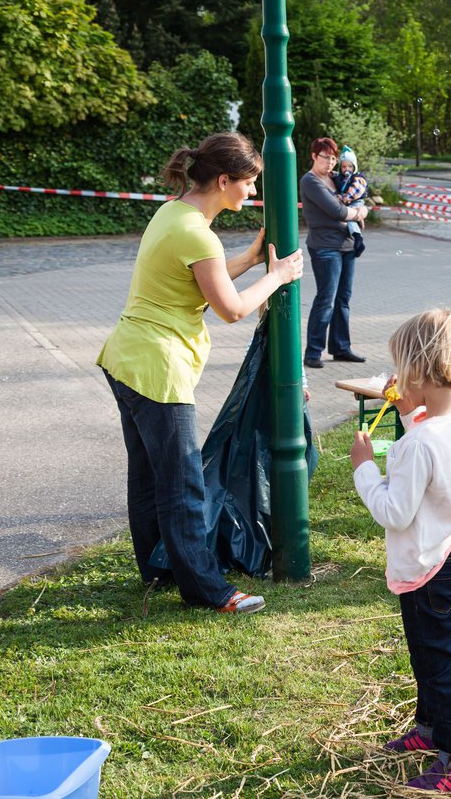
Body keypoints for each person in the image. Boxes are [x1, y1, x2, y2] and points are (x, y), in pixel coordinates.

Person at [96, 132, 304, 614]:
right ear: (225, 179)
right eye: (250, 183)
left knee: (149, 477)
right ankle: (208, 589)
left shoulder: (174, 212)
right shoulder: (196, 231)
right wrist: (276, 276)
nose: (252, 193)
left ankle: (159, 568)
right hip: (156, 367)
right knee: (183, 482)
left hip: (127, 357)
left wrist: (251, 260)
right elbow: (230, 310)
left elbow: (201, 279)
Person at [351, 309, 451, 792]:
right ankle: (430, 729)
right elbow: (433, 447)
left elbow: (394, 511)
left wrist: (365, 468)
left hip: (431, 560)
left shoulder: (417, 445)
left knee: (434, 660)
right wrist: (411, 411)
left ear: (419, 372)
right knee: (427, 649)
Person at [303, 136, 370, 369]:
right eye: (325, 157)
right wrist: (359, 212)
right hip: (324, 247)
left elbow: (359, 195)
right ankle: (313, 352)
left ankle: (341, 347)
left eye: (333, 158)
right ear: (314, 156)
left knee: (343, 300)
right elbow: (338, 211)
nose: (330, 162)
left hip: (347, 245)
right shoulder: (311, 181)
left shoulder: (335, 178)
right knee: (326, 299)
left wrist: (362, 207)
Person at [334, 145, 369, 258]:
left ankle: (358, 238)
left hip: (356, 202)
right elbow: (336, 177)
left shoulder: (358, 178)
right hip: (347, 202)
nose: (346, 169)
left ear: (354, 167)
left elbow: (356, 190)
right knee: (349, 220)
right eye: (344, 166)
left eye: (350, 166)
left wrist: (345, 197)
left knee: (350, 218)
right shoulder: (341, 177)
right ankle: (357, 238)